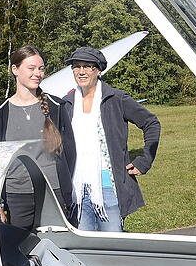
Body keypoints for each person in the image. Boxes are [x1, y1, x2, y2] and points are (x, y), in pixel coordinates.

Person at [62, 46, 160, 232]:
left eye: (87, 66)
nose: (81, 71)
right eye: (76, 66)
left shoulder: (115, 98)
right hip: (77, 191)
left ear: (98, 70)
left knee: (112, 245)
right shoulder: (66, 102)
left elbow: (151, 122)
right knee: (85, 248)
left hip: (109, 188)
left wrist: (145, 160)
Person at [0, 45, 76, 230]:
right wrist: (0, 202)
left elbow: (70, 152)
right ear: (15, 69)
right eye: (31, 68)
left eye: (41, 68)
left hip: (53, 192)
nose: (38, 73)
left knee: (56, 249)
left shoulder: (56, 107)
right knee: (20, 250)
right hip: (16, 194)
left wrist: (66, 190)